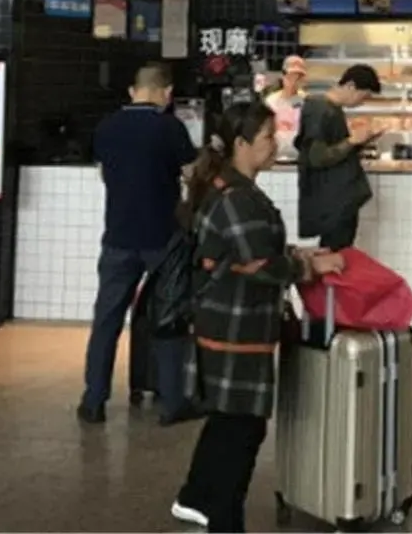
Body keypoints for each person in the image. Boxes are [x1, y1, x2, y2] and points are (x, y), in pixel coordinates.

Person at [171, 101, 345, 532]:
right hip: (237, 326)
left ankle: (195, 498)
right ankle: (225, 520)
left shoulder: (229, 188)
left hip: (228, 321)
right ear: (241, 144)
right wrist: (308, 267)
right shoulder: (237, 198)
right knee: (242, 428)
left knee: (229, 420)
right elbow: (258, 264)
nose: (276, 143)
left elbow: (250, 250)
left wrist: (299, 254)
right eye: (267, 136)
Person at [78, 63, 199, 426]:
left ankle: (94, 400)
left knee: (107, 320)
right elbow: (192, 174)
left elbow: (105, 173)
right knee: (168, 318)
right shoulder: (170, 127)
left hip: (118, 236)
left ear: (133, 91)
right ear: (167, 93)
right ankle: (172, 402)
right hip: (163, 238)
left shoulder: (107, 126)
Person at [295, 65, 382, 249]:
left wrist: (362, 141)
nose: (361, 103)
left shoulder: (331, 109)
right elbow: (317, 157)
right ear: (350, 86)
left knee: (340, 250)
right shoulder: (320, 110)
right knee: (335, 252)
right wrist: (352, 141)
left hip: (338, 200)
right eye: (363, 96)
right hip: (333, 202)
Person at [264, 55, 309, 161]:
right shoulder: (271, 101)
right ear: (283, 76)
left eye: (298, 78)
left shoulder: (306, 101)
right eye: (290, 76)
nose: (293, 81)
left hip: (298, 156)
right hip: (275, 156)